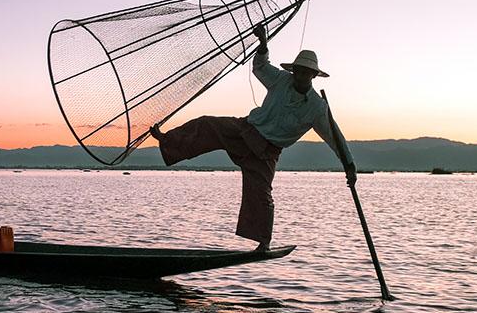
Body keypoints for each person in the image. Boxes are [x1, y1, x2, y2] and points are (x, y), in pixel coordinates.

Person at [150, 24, 356, 252]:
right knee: (207, 124)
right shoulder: (281, 79)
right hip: (246, 129)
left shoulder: (317, 108)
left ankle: (263, 243)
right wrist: (263, 43)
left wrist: (349, 167)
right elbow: (260, 67)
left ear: (314, 75)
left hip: (266, 151)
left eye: (306, 72)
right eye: (298, 70)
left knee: (260, 194)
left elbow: (335, 138)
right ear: (294, 70)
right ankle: (167, 140)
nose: (300, 75)